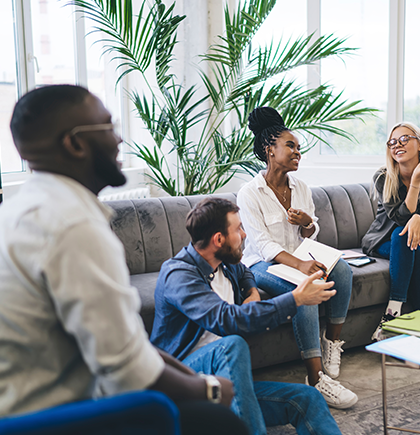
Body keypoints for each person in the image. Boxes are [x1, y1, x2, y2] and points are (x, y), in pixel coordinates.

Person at [0, 84, 249, 434]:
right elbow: (128, 371)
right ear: (74, 143)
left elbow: (128, 342)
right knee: (222, 422)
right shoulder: (73, 225)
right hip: (45, 419)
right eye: (108, 126)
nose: (119, 140)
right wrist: (207, 388)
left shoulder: (24, 208)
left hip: (19, 407)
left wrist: (193, 377)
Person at [150, 197, 343, 435]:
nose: (244, 234)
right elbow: (226, 320)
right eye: (238, 228)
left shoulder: (224, 262)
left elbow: (244, 272)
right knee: (230, 345)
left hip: (224, 385)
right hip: (184, 385)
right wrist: (296, 299)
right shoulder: (178, 274)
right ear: (218, 239)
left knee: (306, 397)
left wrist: (251, 291)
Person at [237, 107, 357, 409]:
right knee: (303, 290)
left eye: (299, 148)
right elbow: (262, 245)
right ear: (269, 150)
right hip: (263, 265)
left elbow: (311, 231)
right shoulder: (249, 193)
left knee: (342, 270)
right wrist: (301, 265)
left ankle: (333, 343)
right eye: (291, 146)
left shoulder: (301, 187)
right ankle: (316, 378)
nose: (297, 153)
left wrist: (306, 223)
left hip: (299, 255)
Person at [360, 122, 420, 340]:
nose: (397, 145)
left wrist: (419, 216)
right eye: (392, 142)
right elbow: (399, 217)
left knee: (408, 238)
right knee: (404, 236)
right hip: (383, 239)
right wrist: (416, 180)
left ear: (419, 144)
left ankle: (392, 315)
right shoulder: (383, 177)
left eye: (404, 139)